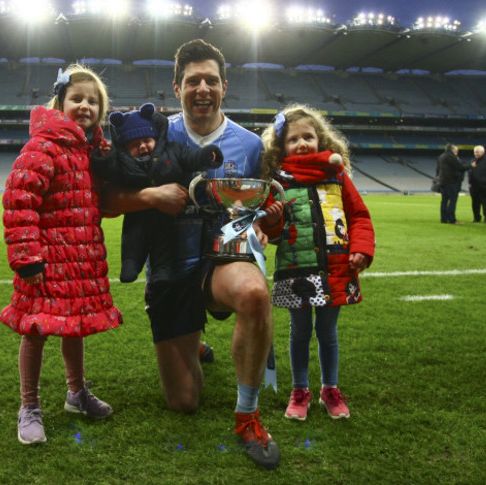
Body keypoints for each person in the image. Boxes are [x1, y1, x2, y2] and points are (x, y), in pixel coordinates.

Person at [101, 39, 281, 469]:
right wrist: (149, 194)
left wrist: (262, 224)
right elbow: (106, 201)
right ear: (176, 86)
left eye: (211, 80)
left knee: (255, 295)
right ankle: (192, 341)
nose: (203, 88)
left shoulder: (250, 146)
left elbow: (262, 208)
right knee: (183, 402)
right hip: (170, 267)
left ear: (225, 87)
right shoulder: (148, 135)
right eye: (193, 80)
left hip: (224, 260)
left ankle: (247, 416)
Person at [0, 64, 123, 445]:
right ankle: (29, 405)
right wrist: (28, 257)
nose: (85, 105)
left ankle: (76, 394)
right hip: (47, 261)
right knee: (35, 330)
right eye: (77, 98)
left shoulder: (91, 150)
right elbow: (20, 201)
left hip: (80, 261)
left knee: (76, 326)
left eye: (93, 100)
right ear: (60, 101)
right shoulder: (44, 145)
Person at [259, 104, 375, 421]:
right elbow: (273, 232)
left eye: (308, 136)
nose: (302, 143)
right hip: (297, 270)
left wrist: (362, 247)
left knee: (328, 332)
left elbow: (359, 215)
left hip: (336, 268)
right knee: (299, 332)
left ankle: (329, 389)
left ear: (320, 139)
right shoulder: (278, 182)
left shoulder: (336, 176)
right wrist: (272, 221)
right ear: (281, 146)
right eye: (293, 139)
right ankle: (300, 390)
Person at [92, 102, 222, 283]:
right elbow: (110, 172)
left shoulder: (172, 151)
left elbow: (190, 157)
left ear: (156, 138)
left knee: (165, 244)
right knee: (133, 240)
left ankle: (162, 270)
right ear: (125, 147)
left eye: (146, 141)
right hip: (138, 213)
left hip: (166, 215)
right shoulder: (123, 161)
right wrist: (104, 158)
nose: (143, 147)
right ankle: (130, 265)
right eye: (135, 144)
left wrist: (207, 156)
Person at [436, 143, 467, 224]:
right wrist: (470, 166)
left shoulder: (441, 156)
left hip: (442, 181)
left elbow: (438, 170)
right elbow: (460, 167)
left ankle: (444, 218)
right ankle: (452, 219)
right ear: (452, 149)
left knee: (444, 201)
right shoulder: (451, 157)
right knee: (453, 200)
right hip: (450, 182)